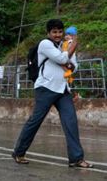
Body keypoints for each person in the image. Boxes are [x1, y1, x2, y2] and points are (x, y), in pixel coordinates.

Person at [12, 19, 93, 168]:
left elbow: (72, 67)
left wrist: (69, 49)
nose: (57, 35)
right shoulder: (45, 44)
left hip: (62, 89)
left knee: (71, 122)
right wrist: (73, 44)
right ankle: (19, 152)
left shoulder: (63, 46)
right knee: (35, 121)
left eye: (60, 32)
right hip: (46, 88)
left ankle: (76, 158)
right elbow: (63, 59)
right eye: (54, 32)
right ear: (48, 33)